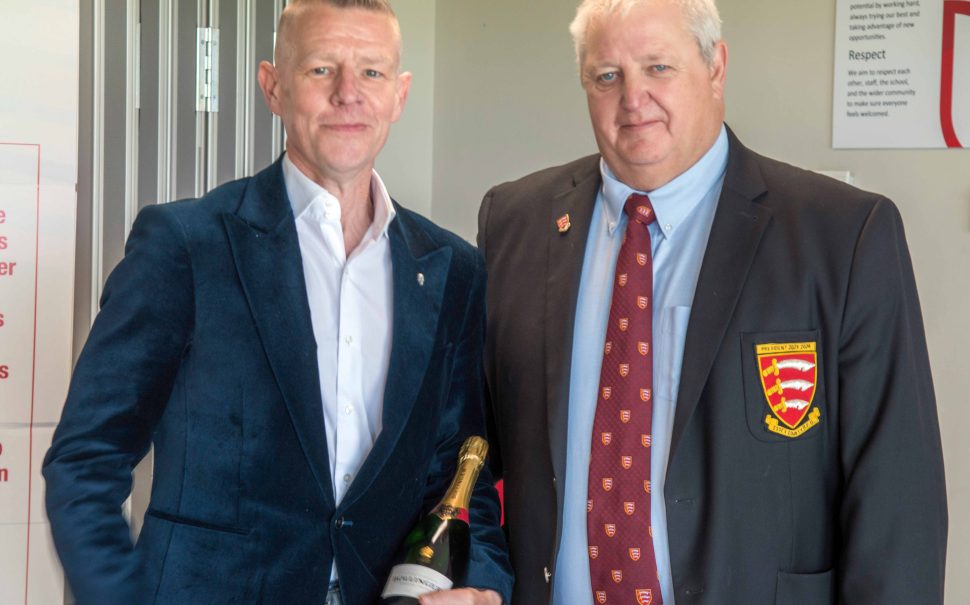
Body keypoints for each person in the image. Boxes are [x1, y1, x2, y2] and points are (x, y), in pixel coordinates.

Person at [478, 0, 947, 603]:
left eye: (659, 68)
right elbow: (469, 450)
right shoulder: (514, 221)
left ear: (717, 67)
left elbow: (898, 505)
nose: (633, 99)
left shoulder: (844, 236)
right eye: (607, 75)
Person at [43, 1, 510, 604]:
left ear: (399, 95)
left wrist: (485, 588)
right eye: (321, 69)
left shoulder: (452, 268)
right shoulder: (187, 245)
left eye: (371, 72)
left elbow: (466, 468)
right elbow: (85, 461)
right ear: (273, 87)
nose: (349, 93)